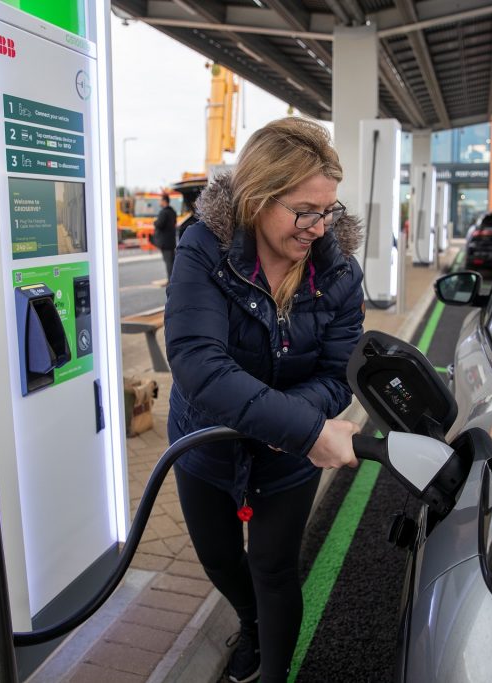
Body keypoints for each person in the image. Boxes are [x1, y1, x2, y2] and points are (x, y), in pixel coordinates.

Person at [164, 117, 365, 683]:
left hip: (287, 457)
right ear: (257, 198)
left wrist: (289, 426)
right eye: (304, 211)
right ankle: (249, 623)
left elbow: (340, 374)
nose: (319, 228)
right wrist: (306, 429)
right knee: (220, 558)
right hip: (208, 442)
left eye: (328, 210)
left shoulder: (338, 272)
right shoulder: (204, 248)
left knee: (274, 569)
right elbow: (198, 364)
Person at [152, 192, 178, 278]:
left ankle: (170, 281)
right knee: (172, 262)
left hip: (165, 243)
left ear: (164, 201)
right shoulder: (173, 211)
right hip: (171, 241)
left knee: (168, 262)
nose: (159, 202)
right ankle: (172, 279)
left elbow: (159, 224)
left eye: (160, 200)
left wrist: (155, 222)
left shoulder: (163, 212)